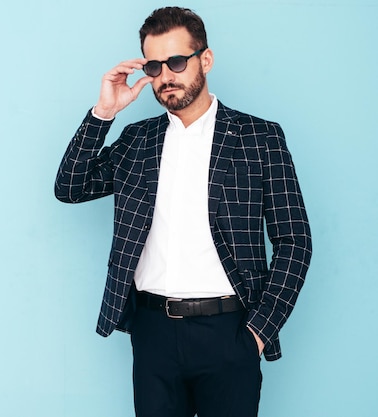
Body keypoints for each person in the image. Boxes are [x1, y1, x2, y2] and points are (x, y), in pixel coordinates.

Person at [54, 6, 312, 417]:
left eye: (176, 61)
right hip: (153, 331)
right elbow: (70, 187)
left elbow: (295, 242)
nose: (166, 76)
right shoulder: (138, 139)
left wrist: (259, 333)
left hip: (230, 331)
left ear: (204, 60)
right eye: (155, 66)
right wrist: (104, 112)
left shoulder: (260, 138)